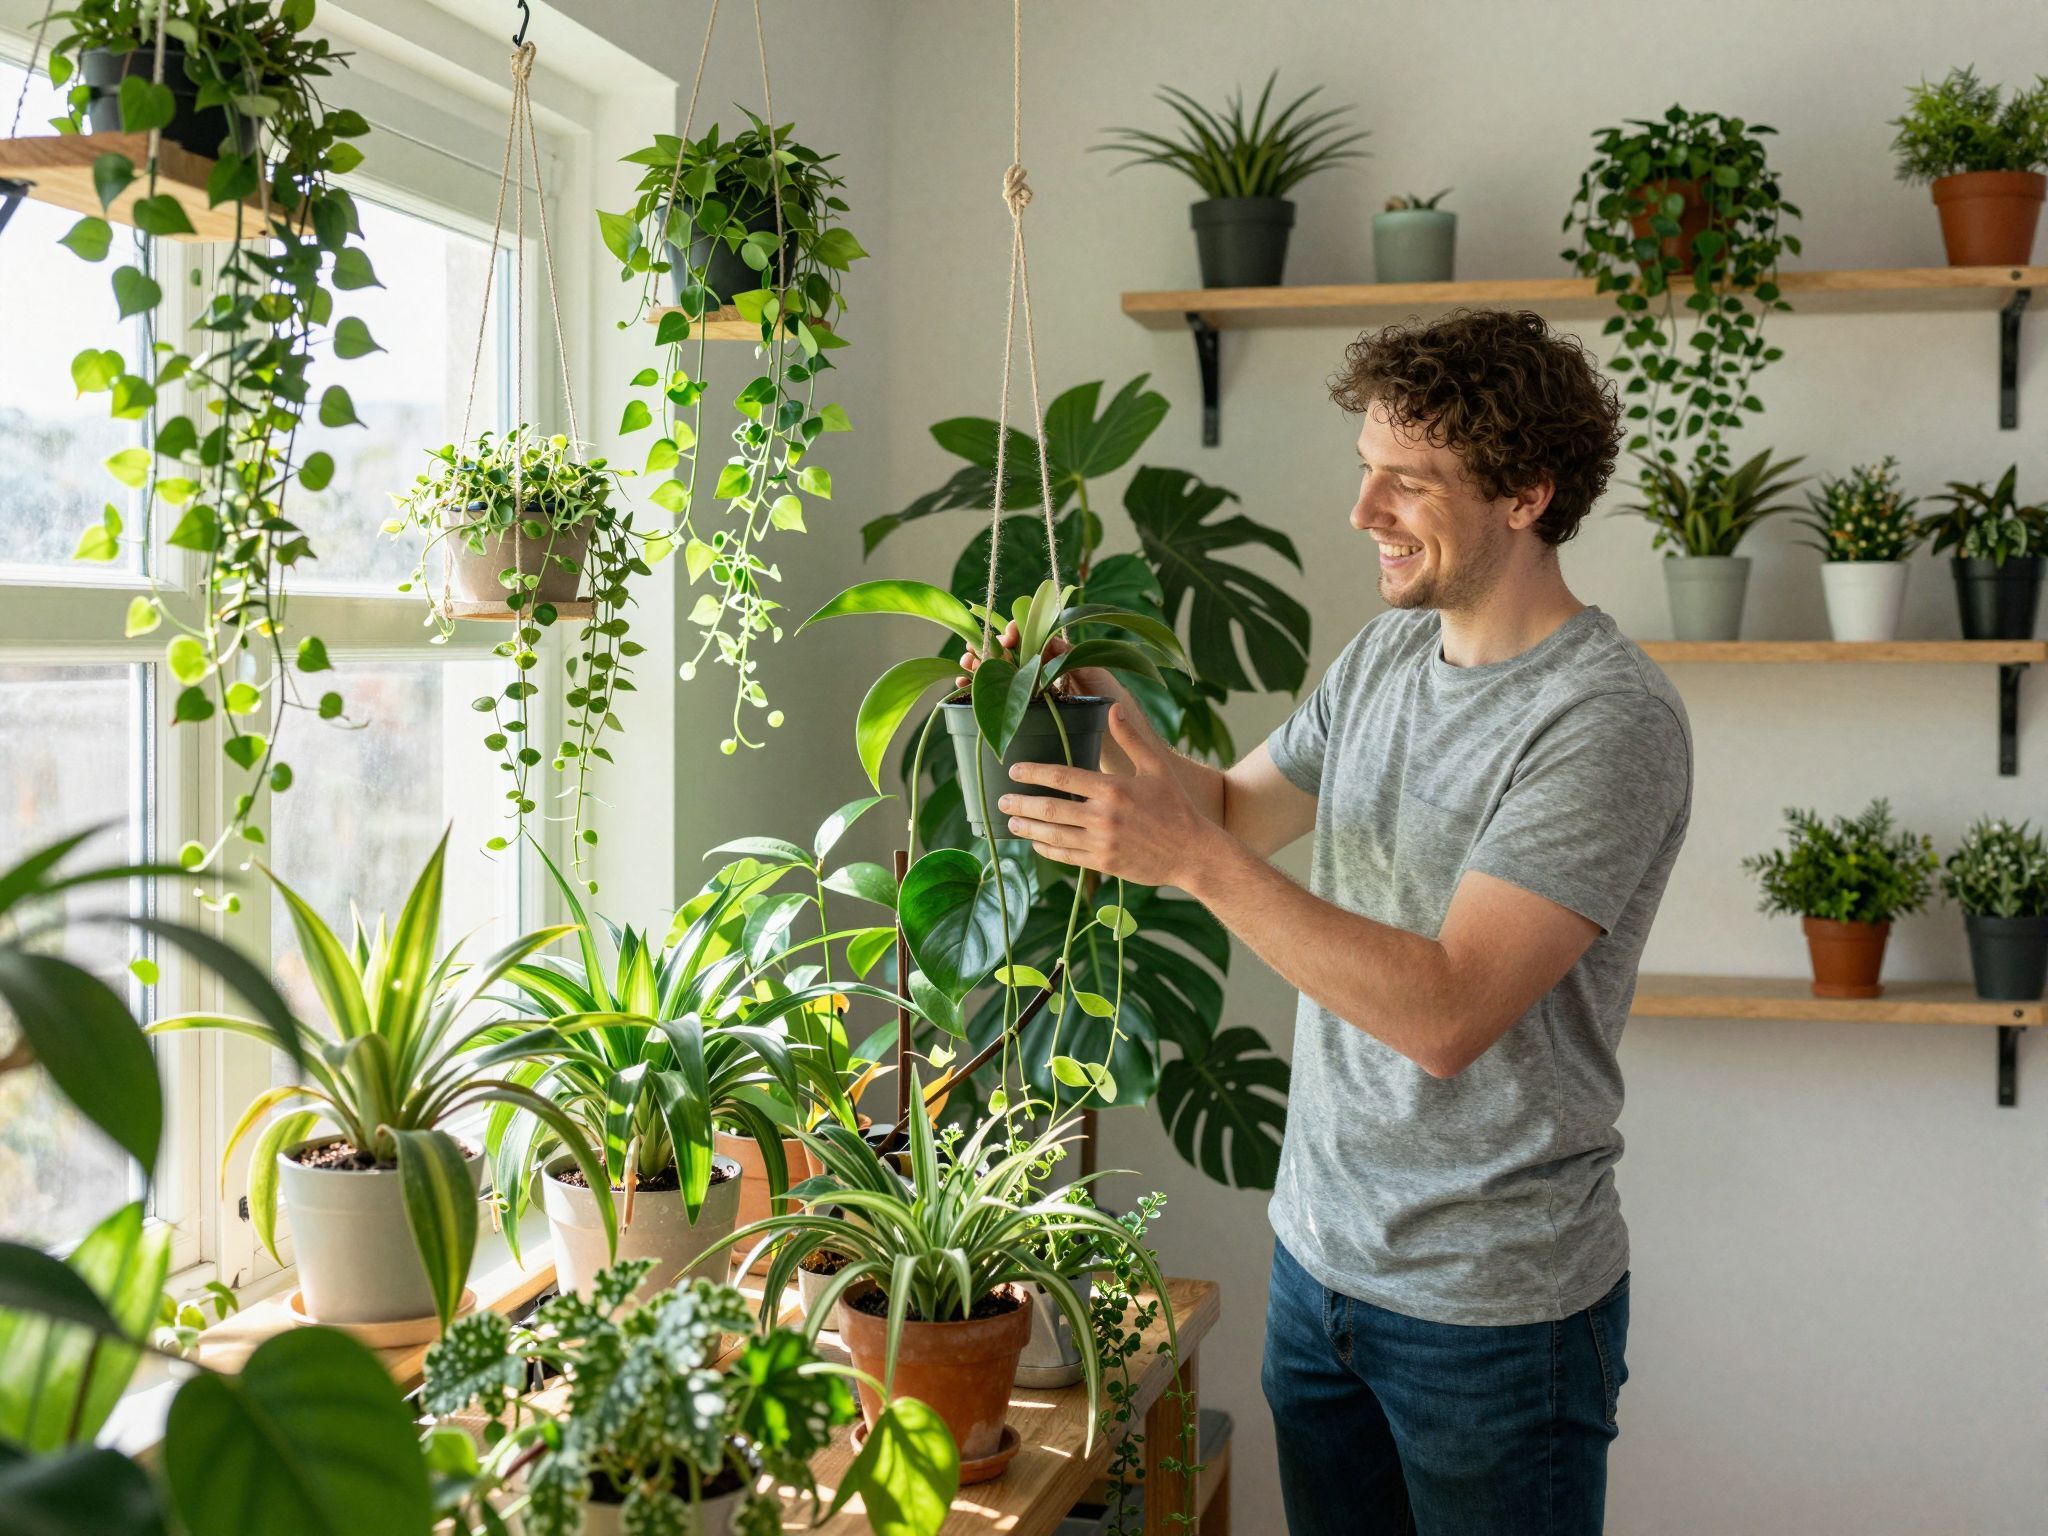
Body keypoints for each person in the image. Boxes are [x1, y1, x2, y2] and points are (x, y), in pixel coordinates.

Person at [977, 308, 1693, 1535]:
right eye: (1365, 474)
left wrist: (1189, 856)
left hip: (1495, 1315)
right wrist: (1097, 709)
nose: (1363, 514)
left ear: (1526, 494)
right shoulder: (1380, 662)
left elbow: (1449, 1012)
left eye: (1404, 484)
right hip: (1320, 1271)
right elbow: (1230, 814)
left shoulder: (1601, 721)